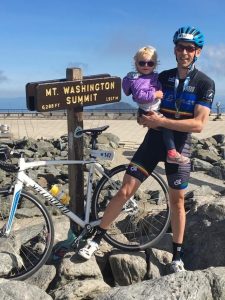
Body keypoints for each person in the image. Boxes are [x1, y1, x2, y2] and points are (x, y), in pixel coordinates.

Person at [78, 26, 215, 273]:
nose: (184, 52)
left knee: (178, 201)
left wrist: (161, 121)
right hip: (153, 141)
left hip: (180, 145)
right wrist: (143, 116)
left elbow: (199, 124)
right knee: (124, 191)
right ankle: (95, 239)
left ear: (198, 52)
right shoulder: (162, 76)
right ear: (174, 50)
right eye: (180, 47)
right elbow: (143, 107)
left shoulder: (205, 83)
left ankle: (177, 257)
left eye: (189, 48)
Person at [122, 45, 190, 164]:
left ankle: (167, 151)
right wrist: (155, 94)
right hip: (149, 109)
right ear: (136, 63)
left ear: (155, 64)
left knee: (164, 128)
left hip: (151, 109)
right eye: (142, 63)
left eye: (150, 63)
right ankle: (172, 153)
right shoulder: (138, 80)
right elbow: (140, 97)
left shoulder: (152, 76)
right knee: (167, 127)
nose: (146, 66)